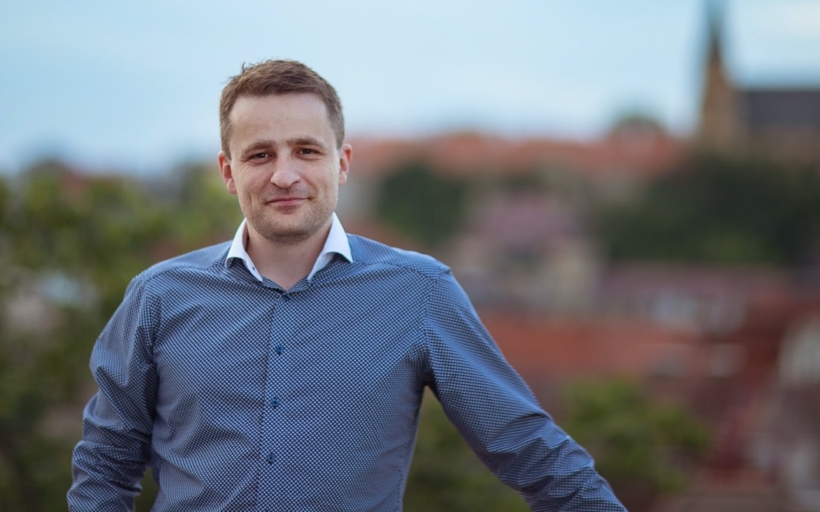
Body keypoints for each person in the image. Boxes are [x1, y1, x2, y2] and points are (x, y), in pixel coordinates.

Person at [68, 59, 626, 511]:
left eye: (306, 150)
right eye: (260, 155)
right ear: (228, 172)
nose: (284, 174)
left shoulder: (419, 293)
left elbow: (529, 450)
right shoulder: (159, 297)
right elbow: (105, 463)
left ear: (342, 162)